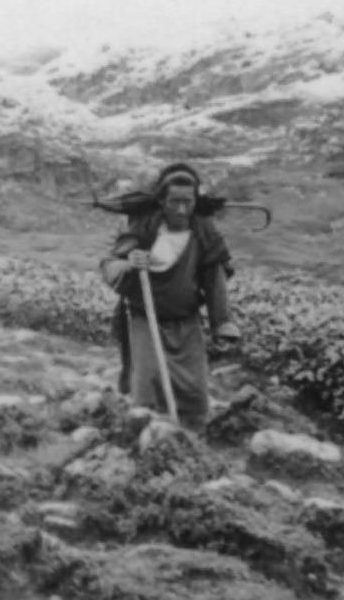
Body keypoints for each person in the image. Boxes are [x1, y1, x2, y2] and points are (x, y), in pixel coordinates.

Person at [98, 163, 241, 433]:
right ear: (162, 201)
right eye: (174, 201)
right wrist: (130, 262)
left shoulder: (204, 232)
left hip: (186, 323)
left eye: (187, 202)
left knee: (194, 392)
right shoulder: (143, 227)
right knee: (146, 386)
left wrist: (222, 321)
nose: (181, 209)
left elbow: (215, 280)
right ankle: (143, 439)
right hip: (143, 319)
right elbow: (109, 263)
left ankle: (189, 440)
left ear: (195, 201)